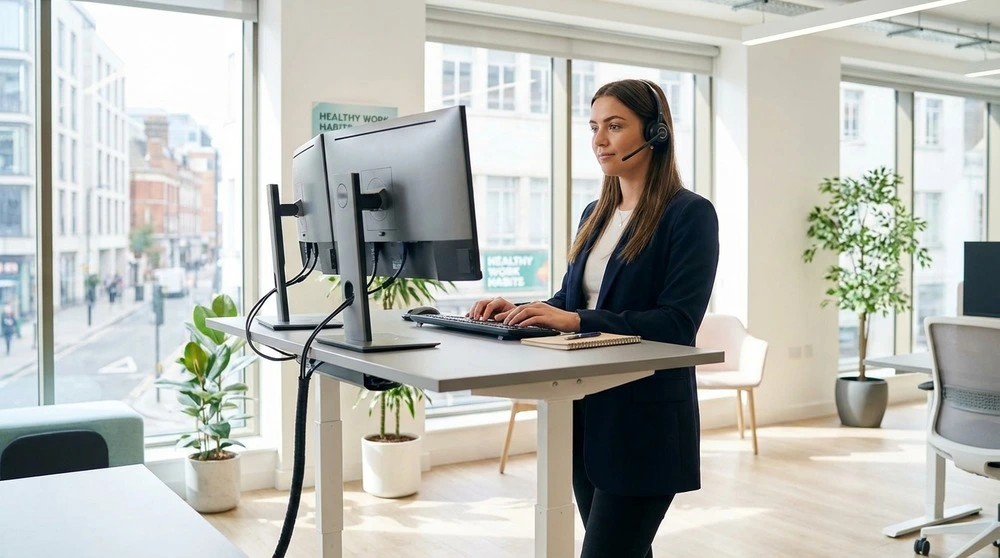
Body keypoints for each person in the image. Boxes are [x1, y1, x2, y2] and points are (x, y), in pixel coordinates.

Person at [467, 79, 719, 558]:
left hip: (644, 420)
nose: (599, 140)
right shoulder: (595, 213)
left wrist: (575, 321)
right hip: (588, 415)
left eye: (615, 126)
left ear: (657, 132)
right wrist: (523, 310)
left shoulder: (688, 215)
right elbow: (570, 299)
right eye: (594, 127)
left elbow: (677, 323)